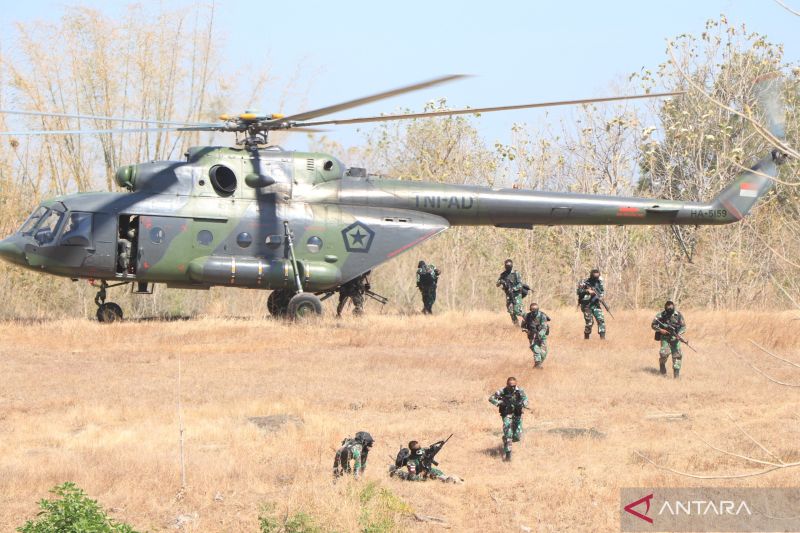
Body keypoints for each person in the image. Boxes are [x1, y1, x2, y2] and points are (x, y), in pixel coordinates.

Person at [488, 377, 529, 461]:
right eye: (511, 386)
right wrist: (499, 403)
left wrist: (523, 404)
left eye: (514, 385)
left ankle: (506, 439)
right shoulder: (502, 391)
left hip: (517, 414)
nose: (512, 387)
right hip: (507, 414)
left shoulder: (520, 391)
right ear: (507, 384)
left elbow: (526, 399)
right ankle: (508, 455)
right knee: (508, 433)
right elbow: (491, 398)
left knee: (517, 437)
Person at [390, 439, 462, 483]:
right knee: (405, 476)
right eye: (419, 449)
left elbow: (428, 449)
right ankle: (395, 471)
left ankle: (450, 479)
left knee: (438, 473)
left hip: (428, 470)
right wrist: (422, 475)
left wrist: (435, 447)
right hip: (419, 474)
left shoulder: (422, 451)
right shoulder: (411, 462)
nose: (421, 451)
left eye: (420, 447)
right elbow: (412, 477)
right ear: (415, 451)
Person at [651, 301, 687, 378]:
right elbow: (653, 325)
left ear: (673, 306)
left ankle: (676, 376)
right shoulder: (661, 315)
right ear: (665, 307)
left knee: (677, 356)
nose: (669, 308)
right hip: (665, 338)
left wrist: (679, 335)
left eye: (671, 307)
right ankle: (662, 364)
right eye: (668, 307)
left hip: (675, 338)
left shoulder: (678, 315)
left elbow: (683, 327)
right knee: (664, 353)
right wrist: (661, 330)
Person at [577, 268, 606, 339]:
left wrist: (600, 297)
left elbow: (602, 291)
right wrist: (587, 291)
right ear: (591, 275)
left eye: (597, 276)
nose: (596, 278)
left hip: (596, 304)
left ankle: (603, 339)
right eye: (595, 276)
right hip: (586, 305)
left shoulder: (599, 282)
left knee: (601, 320)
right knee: (589, 323)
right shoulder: (584, 282)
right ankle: (586, 338)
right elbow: (578, 292)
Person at [521, 303, 550, 368]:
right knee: (536, 350)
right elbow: (523, 326)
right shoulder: (527, 316)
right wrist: (526, 330)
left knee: (544, 353)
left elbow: (544, 327)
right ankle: (538, 365)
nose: (534, 312)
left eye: (535, 310)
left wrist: (540, 334)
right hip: (532, 336)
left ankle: (538, 364)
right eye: (532, 310)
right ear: (530, 310)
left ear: (538, 309)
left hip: (542, 336)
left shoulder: (542, 316)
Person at [497, 259, 525, 324]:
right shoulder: (503, 274)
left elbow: (520, 284)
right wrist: (501, 281)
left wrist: (513, 289)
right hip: (508, 295)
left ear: (512, 266)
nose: (508, 268)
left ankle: (529, 319)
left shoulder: (516, 273)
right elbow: (497, 284)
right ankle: (516, 325)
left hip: (516, 294)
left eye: (509, 266)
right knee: (510, 311)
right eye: (507, 266)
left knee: (518, 311)